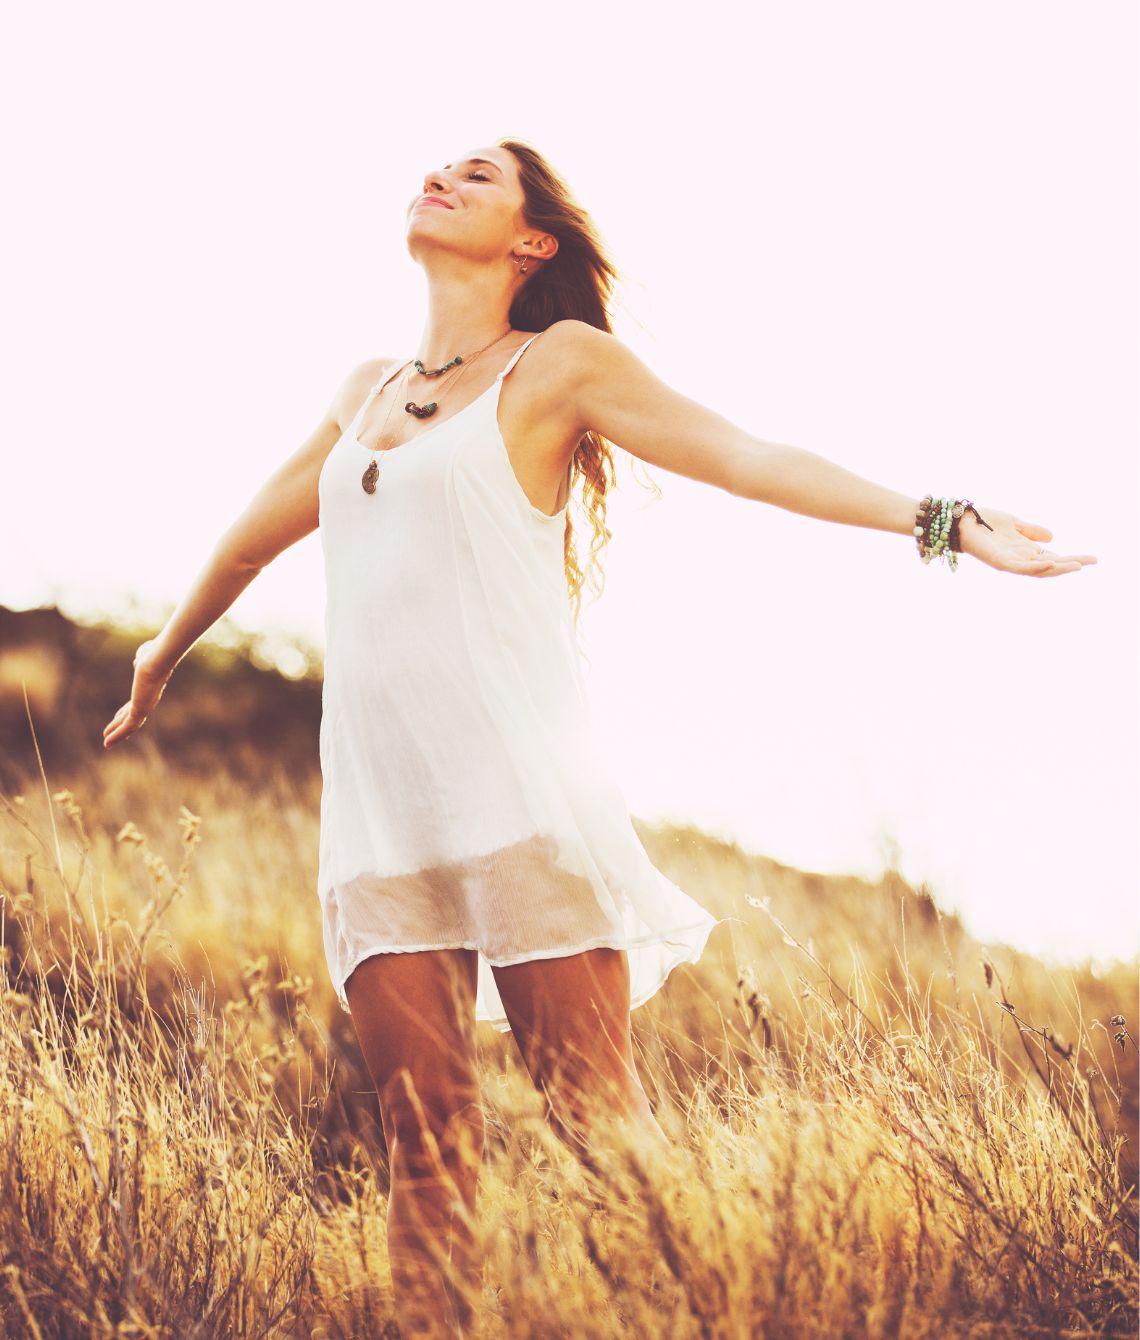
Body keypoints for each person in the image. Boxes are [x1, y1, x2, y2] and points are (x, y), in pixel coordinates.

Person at [101, 137, 1097, 1335]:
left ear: (532, 242)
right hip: (378, 818)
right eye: (439, 164)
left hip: (518, 804)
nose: (442, 175)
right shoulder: (365, 390)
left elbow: (745, 457)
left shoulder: (559, 363)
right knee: (424, 1149)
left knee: (600, 1134)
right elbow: (253, 538)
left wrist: (947, 520)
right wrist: (163, 651)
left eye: (479, 175)